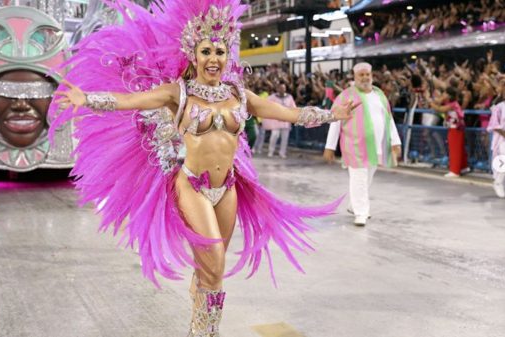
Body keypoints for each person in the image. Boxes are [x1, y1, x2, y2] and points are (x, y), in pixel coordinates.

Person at [50, 1, 357, 336]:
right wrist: (87, 99)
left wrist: (333, 116)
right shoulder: (176, 94)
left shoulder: (240, 94)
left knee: (211, 271)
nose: (214, 59)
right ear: (193, 54)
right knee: (214, 260)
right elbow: (129, 102)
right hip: (192, 185)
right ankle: (204, 333)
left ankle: (202, 317)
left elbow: (291, 115)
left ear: (228, 56)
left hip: (227, 189)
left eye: (220, 51)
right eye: (206, 51)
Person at [323, 62, 402, 226]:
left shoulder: (379, 95)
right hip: (354, 146)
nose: (365, 78)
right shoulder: (345, 96)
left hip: (376, 146)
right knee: (359, 177)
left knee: (368, 177)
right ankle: (361, 212)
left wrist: (395, 142)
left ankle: (354, 206)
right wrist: (329, 147)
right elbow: (335, 121)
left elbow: (389, 119)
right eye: (361, 75)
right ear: (355, 77)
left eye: (368, 75)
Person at [427, 87, 469, 178]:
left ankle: (455, 171)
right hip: (455, 128)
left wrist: (430, 102)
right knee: (459, 149)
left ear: (449, 95)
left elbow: (440, 109)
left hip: (456, 129)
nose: (443, 95)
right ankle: (463, 167)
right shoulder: (451, 103)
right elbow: (438, 103)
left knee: (454, 150)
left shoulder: (453, 104)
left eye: (445, 93)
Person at [263, 82, 294, 158]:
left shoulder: (289, 97)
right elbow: (266, 104)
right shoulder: (273, 97)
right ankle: (271, 151)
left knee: (285, 138)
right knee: (274, 136)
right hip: (276, 121)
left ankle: (282, 153)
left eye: (283, 88)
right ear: (277, 89)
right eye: (280, 88)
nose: (282, 89)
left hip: (286, 121)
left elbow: (293, 107)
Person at [488, 86, 505, 198]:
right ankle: (498, 182)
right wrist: (504, 133)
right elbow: (494, 124)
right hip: (502, 139)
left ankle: (501, 182)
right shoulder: (499, 107)